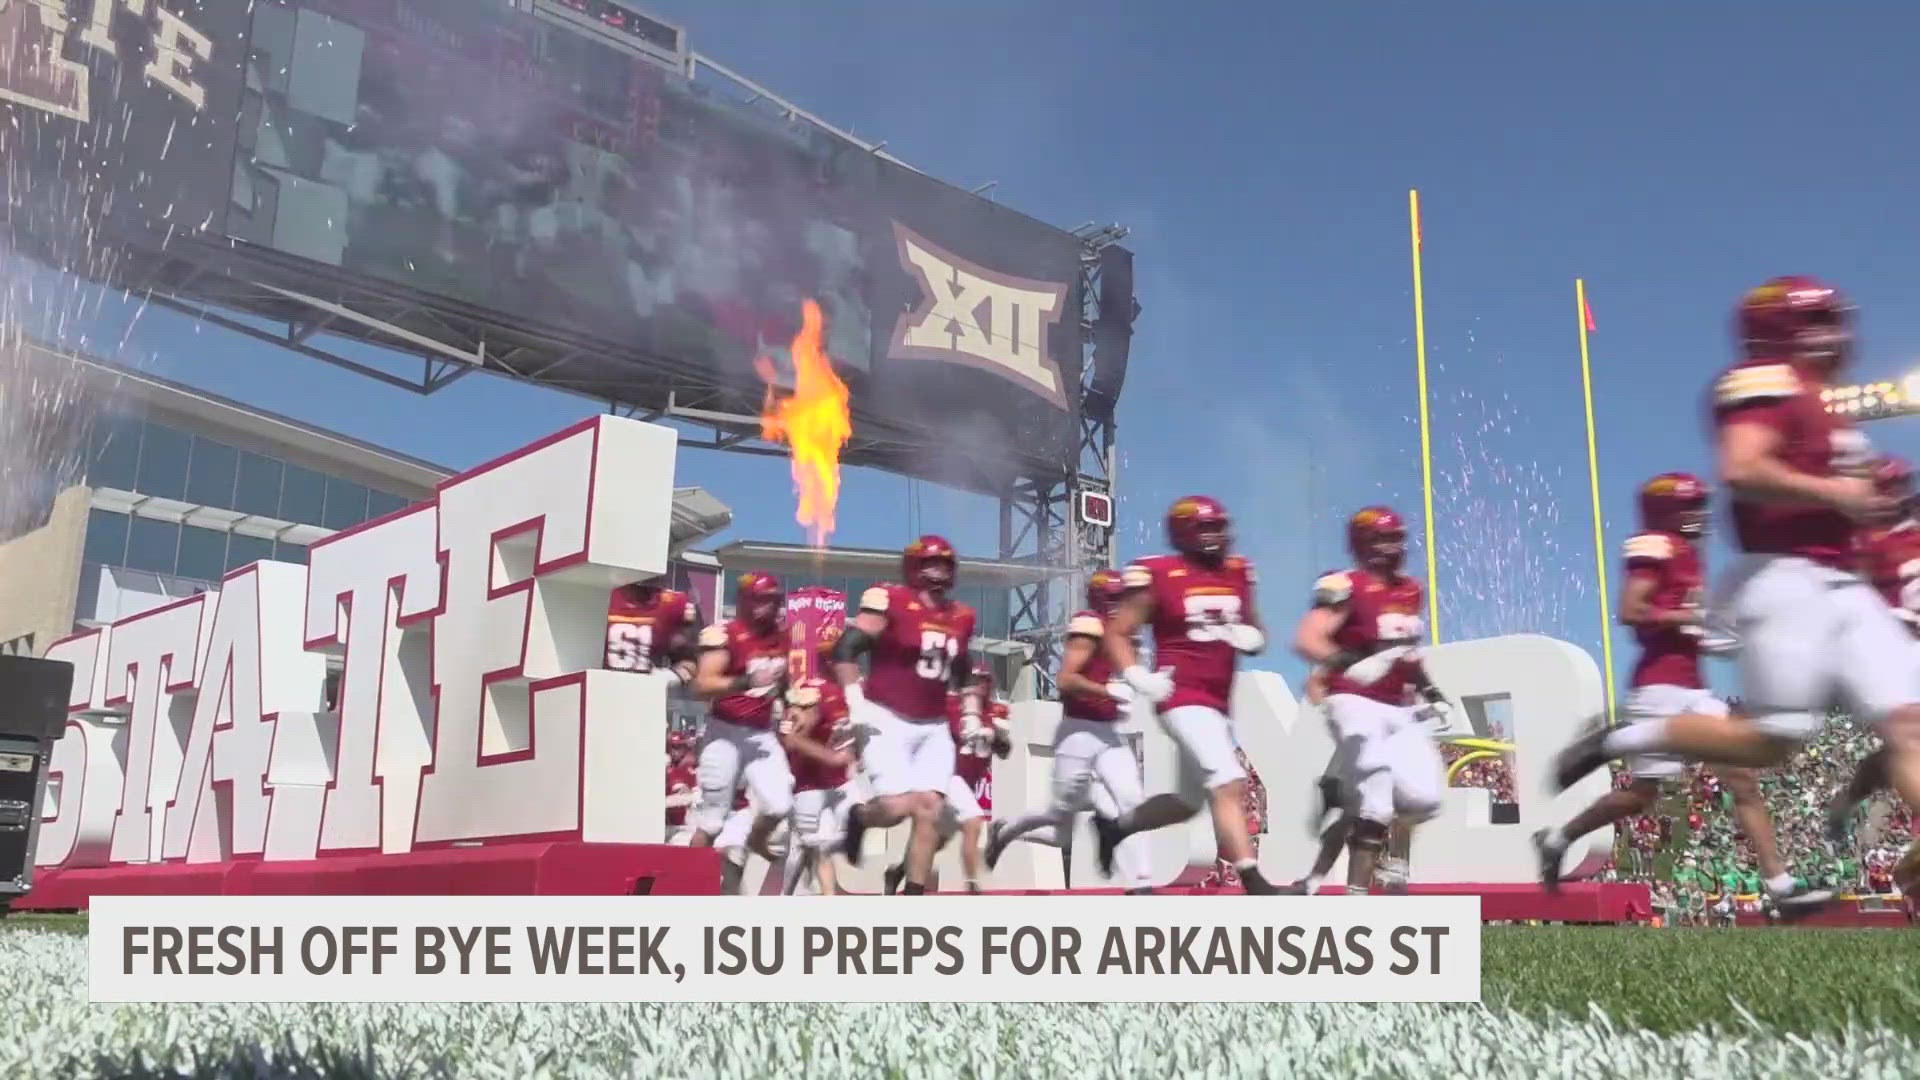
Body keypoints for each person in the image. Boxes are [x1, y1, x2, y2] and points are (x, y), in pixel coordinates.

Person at [1554, 275, 1920, 891]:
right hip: (1785, 576)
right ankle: (1630, 735)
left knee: (1908, 721)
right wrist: (1838, 492)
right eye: (1821, 321)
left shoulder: (1831, 414)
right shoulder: (1764, 380)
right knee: (1772, 742)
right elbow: (1743, 466)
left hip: (1843, 587)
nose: (1840, 333)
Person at [1534, 473, 1828, 913]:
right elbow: (1631, 610)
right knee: (1640, 796)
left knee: (1743, 778)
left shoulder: (1690, 553)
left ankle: (1781, 888)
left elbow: (1684, 622)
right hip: (1657, 688)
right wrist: (1687, 617)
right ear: (1666, 509)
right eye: (1689, 506)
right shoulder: (1654, 544)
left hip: (1693, 687)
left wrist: (1706, 633)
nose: (1698, 515)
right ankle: (1562, 832)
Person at [1090, 496, 1277, 894]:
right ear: (1185, 533)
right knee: (1228, 780)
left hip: (1218, 702)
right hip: (1179, 695)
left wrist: (1255, 637)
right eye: (1205, 528)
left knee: (1189, 802)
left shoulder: (1238, 572)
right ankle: (1255, 882)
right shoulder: (1159, 573)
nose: (1214, 537)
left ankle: (1114, 827)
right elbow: (1117, 632)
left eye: (1218, 528)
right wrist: (1138, 675)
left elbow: (1256, 627)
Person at [1290, 507, 1449, 895]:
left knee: (1426, 799)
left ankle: (1346, 814)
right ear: (1362, 543)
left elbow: (1407, 653)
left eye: (1396, 538)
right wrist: (1347, 664)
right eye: (1383, 538)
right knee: (1376, 802)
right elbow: (1308, 639)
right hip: (1354, 701)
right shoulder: (1345, 585)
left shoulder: (1410, 590)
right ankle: (1357, 903)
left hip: (1399, 706)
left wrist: (1431, 691)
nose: (1392, 546)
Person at [985, 570, 1153, 893]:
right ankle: (1006, 831)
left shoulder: (1127, 634)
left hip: (1108, 731)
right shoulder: (1089, 625)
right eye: (1119, 600)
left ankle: (1142, 884)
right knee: (1059, 827)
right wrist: (1107, 691)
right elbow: (1065, 680)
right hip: (1077, 732)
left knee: (1132, 798)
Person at [835, 536, 981, 895]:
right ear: (915, 566)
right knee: (898, 807)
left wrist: (972, 711)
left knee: (930, 807)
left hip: (932, 725)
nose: (940, 572)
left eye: (946, 565)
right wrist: (854, 701)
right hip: (886, 716)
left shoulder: (962, 616)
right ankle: (859, 816)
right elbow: (846, 648)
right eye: (933, 564)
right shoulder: (891, 599)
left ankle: (912, 899)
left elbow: (962, 669)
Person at [1826, 454, 1916, 843]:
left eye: (1899, 486)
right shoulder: (1858, 542)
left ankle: (1847, 799)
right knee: (1909, 737)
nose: (1894, 496)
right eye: (1887, 487)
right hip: (1888, 648)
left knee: (1900, 747)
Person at [688, 573, 794, 868]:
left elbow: (784, 681)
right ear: (746, 602)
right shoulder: (725, 634)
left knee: (781, 803)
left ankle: (757, 839)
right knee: (712, 821)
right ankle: (685, 880)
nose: (768, 608)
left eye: (772, 601)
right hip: (724, 732)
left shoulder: (782, 636)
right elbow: (701, 686)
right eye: (760, 601)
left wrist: (790, 705)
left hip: (761, 732)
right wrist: (745, 681)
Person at [779, 626, 860, 896]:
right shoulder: (810, 693)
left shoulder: (853, 691)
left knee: (851, 826)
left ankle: (828, 896)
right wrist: (831, 757)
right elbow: (792, 740)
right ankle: (786, 896)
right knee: (810, 845)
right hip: (809, 783)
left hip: (838, 783)